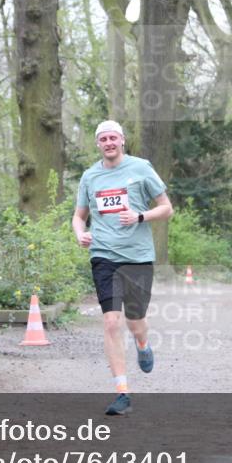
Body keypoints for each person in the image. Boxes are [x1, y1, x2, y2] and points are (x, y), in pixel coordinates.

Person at [72, 120, 174, 415]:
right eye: (103, 139)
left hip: (137, 257)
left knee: (135, 319)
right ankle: (122, 392)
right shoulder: (90, 176)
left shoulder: (141, 168)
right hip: (103, 255)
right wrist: (81, 234)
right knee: (111, 322)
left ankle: (142, 344)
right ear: (98, 144)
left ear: (122, 140)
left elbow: (167, 207)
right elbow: (79, 216)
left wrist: (140, 216)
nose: (108, 143)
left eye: (113, 137)